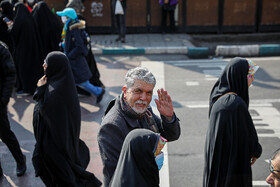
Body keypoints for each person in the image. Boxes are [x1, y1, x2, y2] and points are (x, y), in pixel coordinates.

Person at [98, 66, 181, 187]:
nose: (144, 98)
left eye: (148, 93)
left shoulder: (144, 111)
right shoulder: (112, 126)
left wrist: (168, 117)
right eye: (138, 91)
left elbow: (169, 136)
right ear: (125, 91)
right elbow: (115, 175)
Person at [32, 51, 102, 186]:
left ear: (55, 66)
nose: (43, 65)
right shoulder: (61, 84)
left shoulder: (56, 92)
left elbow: (44, 109)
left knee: (62, 177)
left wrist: (40, 90)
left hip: (55, 145)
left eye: (46, 63)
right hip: (58, 141)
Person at [203, 57, 263, 187]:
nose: (252, 80)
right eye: (249, 76)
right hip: (231, 171)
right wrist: (256, 151)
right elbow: (249, 135)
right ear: (239, 77)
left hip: (218, 166)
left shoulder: (219, 98)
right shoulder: (234, 103)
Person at [56, 8, 105, 103]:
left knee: (82, 82)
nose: (62, 18)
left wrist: (69, 55)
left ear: (68, 17)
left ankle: (98, 91)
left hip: (75, 61)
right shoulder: (68, 26)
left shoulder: (74, 29)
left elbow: (79, 46)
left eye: (64, 16)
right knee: (70, 80)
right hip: (72, 60)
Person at [0, 41, 26, 177]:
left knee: (5, 134)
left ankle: (20, 160)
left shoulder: (1, 49)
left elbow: (10, 74)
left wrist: (4, 99)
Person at [66, 2, 105, 88]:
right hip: (85, 47)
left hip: (82, 49)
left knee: (87, 68)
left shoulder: (77, 20)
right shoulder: (78, 18)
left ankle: (96, 88)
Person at [8, 2, 44, 95]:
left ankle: (25, 89)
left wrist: (9, 27)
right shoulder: (29, 18)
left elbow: (13, 33)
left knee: (23, 69)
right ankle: (31, 88)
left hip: (23, 51)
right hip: (32, 49)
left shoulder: (19, 20)